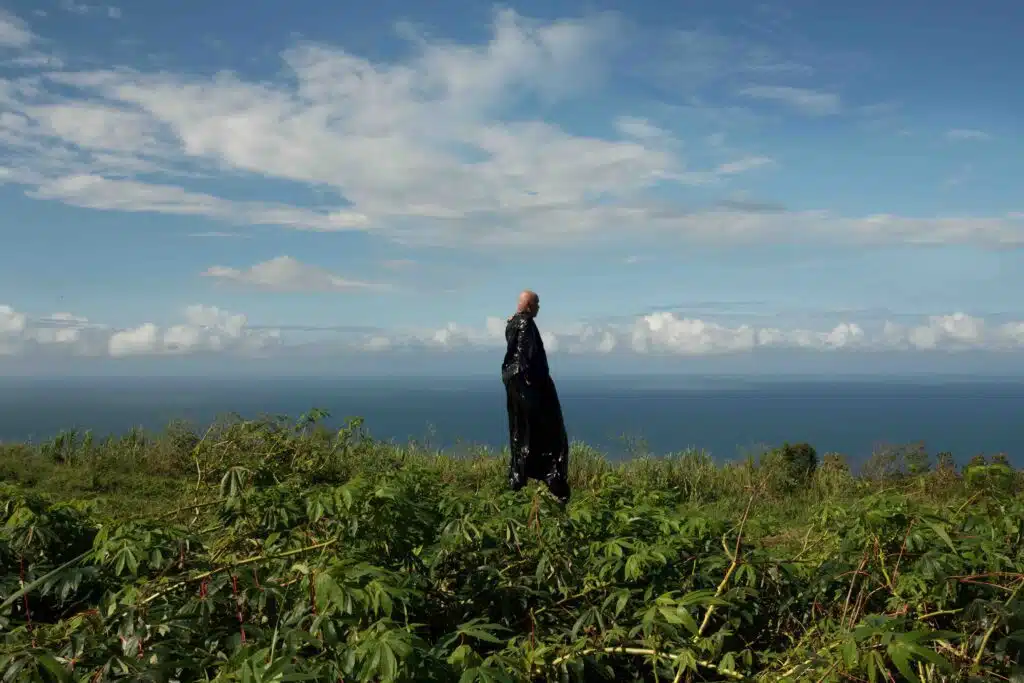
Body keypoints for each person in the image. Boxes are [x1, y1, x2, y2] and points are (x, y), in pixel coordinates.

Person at [501, 290, 570, 504]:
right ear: (529, 306)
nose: (540, 307)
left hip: (516, 390)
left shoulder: (513, 324)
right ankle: (556, 488)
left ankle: (517, 486)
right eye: (537, 303)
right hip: (530, 391)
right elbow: (525, 359)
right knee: (552, 440)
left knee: (520, 438)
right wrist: (537, 390)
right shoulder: (525, 325)